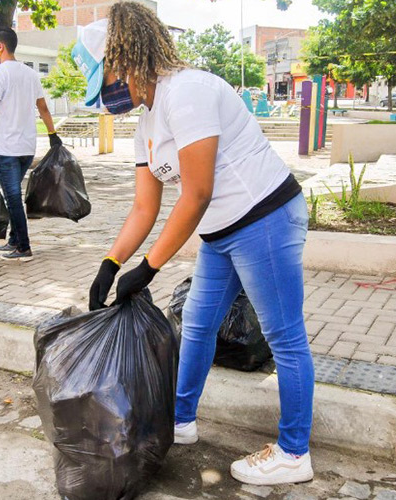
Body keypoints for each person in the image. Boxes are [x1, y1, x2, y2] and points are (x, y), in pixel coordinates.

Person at [80, 3, 314, 487]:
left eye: (103, 80)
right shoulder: (147, 119)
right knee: (198, 326)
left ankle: (294, 452)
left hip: (264, 218)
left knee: (285, 339)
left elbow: (198, 192)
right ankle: (180, 422)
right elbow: (145, 207)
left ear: (123, 60)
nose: (104, 96)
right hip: (221, 232)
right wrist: (111, 262)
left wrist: (148, 268)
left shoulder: (187, 92)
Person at [0, 26, 62, 262]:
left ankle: (23, 246)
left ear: (0, 47)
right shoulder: (30, 74)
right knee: (12, 195)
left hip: (6, 149)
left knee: (13, 198)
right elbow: (43, 107)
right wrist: (52, 133)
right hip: (26, 148)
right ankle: (14, 240)